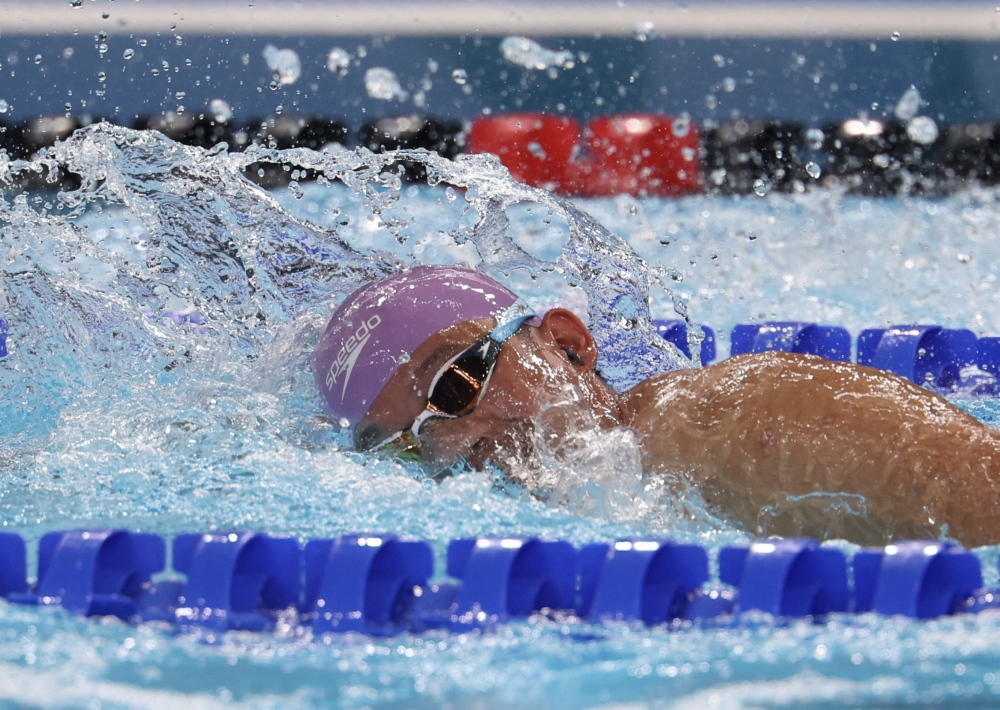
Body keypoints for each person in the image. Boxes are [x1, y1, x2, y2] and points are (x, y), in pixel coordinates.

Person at [314, 265, 1000, 546]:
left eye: (455, 385)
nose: (454, 445)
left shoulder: (728, 418)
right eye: (408, 443)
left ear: (567, 344)